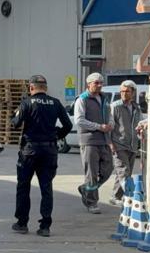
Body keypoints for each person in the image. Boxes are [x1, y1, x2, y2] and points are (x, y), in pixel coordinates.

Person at [10, 75, 72, 237]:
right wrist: (56, 135)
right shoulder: (56, 103)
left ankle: (22, 223)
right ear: (45, 88)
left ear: (31, 88)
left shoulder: (26, 103)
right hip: (49, 150)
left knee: (24, 186)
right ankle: (45, 226)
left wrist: (16, 114)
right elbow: (68, 125)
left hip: (29, 151)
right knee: (46, 187)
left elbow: (15, 123)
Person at [74, 72, 113, 214]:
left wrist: (110, 124)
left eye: (101, 82)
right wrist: (98, 126)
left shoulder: (104, 99)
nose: (100, 85)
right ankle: (91, 202)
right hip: (89, 141)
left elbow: (110, 116)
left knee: (108, 169)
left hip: (103, 139)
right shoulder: (82, 99)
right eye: (97, 83)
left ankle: (86, 188)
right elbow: (79, 120)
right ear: (88, 84)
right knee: (91, 173)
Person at [108, 80, 141, 206]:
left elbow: (139, 124)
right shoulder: (115, 106)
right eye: (122, 91)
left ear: (133, 93)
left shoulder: (136, 108)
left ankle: (115, 196)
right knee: (124, 171)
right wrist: (111, 144)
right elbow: (110, 126)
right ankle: (129, 196)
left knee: (123, 172)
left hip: (132, 145)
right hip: (118, 145)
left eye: (127, 91)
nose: (124, 93)